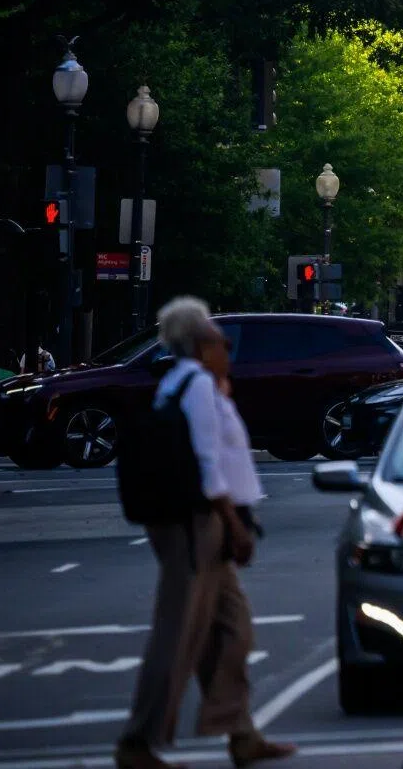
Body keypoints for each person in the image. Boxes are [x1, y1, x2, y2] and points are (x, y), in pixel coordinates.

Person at [116, 298, 293, 769]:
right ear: (199, 345)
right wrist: (235, 525)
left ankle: (241, 732)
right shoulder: (194, 385)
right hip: (197, 524)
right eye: (222, 339)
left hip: (203, 522)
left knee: (231, 629)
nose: (228, 348)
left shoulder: (195, 384)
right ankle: (138, 741)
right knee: (178, 633)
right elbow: (208, 464)